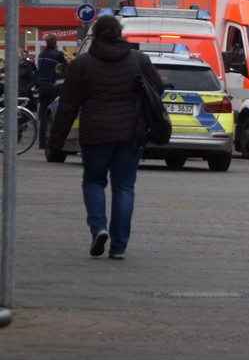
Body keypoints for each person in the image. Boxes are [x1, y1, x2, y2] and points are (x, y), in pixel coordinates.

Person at [47, 15, 164, 260]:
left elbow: (68, 104)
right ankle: (119, 246)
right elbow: (158, 88)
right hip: (130, 134)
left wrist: (55, 143)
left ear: (96, 34)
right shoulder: (139, 60)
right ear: (120, 33)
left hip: (95, 133)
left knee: (93, 181)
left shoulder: (82, 63)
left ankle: (98, 228)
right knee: (124, 187)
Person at [36, 34, 68, 149]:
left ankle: (41, 143)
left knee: (43, 116)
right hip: (53, 87)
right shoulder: (58, 55)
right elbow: (65, 68)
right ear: (55, 44)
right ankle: (52, 142)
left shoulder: (41, 55)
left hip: (42, 87)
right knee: (52, 115)